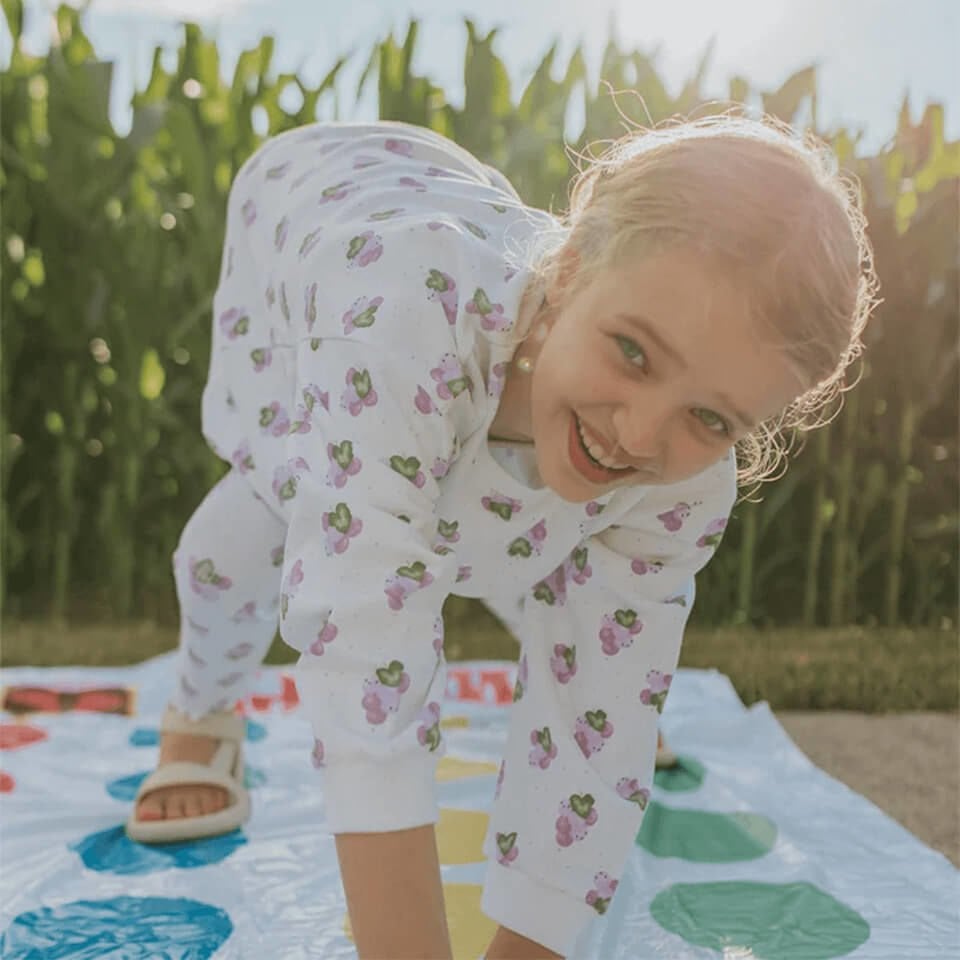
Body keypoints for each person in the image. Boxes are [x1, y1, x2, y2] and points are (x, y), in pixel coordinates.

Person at [124, 112, 876, 959]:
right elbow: (365, 638)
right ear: (571, 267)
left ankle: (536, 583)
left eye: (710, 417)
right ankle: (199, 713)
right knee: (256, 530)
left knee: (559, 554)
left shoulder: (688, 476)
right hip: (318, 215)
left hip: (469, 326)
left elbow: (602, 714)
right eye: (633, 352)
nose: (640, 431)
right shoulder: (394, 321)